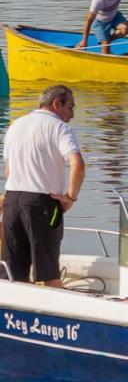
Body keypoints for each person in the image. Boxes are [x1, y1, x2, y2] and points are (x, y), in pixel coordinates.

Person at [2, 85, 84, 287]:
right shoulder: (59, 128)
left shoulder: (16, 125)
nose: (73, 114)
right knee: (48, 274)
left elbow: (8, 171)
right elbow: (78, 164)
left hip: (12, 202)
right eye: (71, 107)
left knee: (12, 274)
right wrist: (71, 197)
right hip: (41, 203)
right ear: (57, 104)